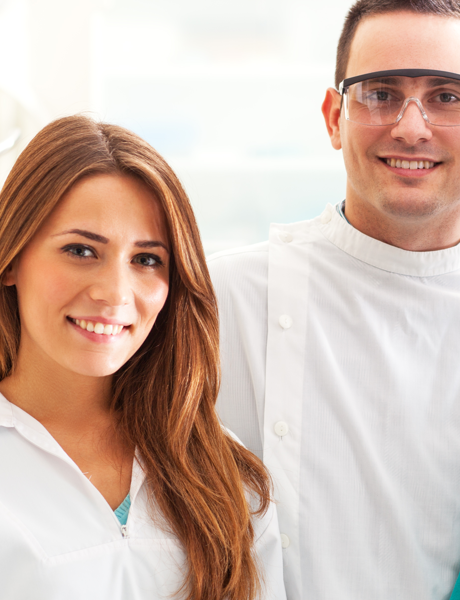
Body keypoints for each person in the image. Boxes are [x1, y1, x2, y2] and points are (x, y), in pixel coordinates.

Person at [208, 1, 460, 599]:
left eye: (447, 96)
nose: (412, 128)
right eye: (381, 94)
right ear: (333, 118)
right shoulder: (223, 296)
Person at [0, 115, 286, 600]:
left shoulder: (220, 468)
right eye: (80, 250)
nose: (115, 293)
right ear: (11, 258)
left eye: (146, 259)